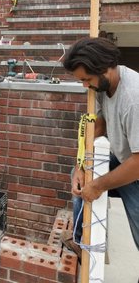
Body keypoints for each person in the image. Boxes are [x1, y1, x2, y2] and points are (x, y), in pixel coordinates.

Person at [61, 37, 139, 264]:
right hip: (127, 160)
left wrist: (99, 185)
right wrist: (81, 165)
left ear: (105, 68)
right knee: (81, 180)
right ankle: (79, 240)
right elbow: (99, 124)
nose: (85, 86)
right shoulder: (105, 86)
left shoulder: (134, 98)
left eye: (87, 79)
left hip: (136, 168)